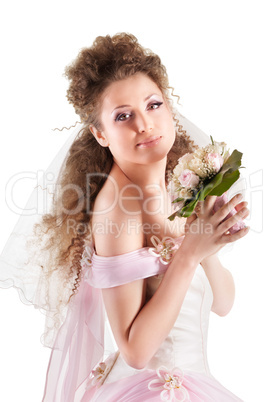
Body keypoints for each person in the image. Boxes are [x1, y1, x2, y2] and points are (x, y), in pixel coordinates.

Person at [0, 33, 249, 401]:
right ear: (101, 133)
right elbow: (135, 351)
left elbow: (223, 304)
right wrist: (190, 253)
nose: (144, 124)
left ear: (170, 108)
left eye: (153, 105)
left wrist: (206, 239)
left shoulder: (173, 186)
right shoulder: (120, 206)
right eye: (122, 116)